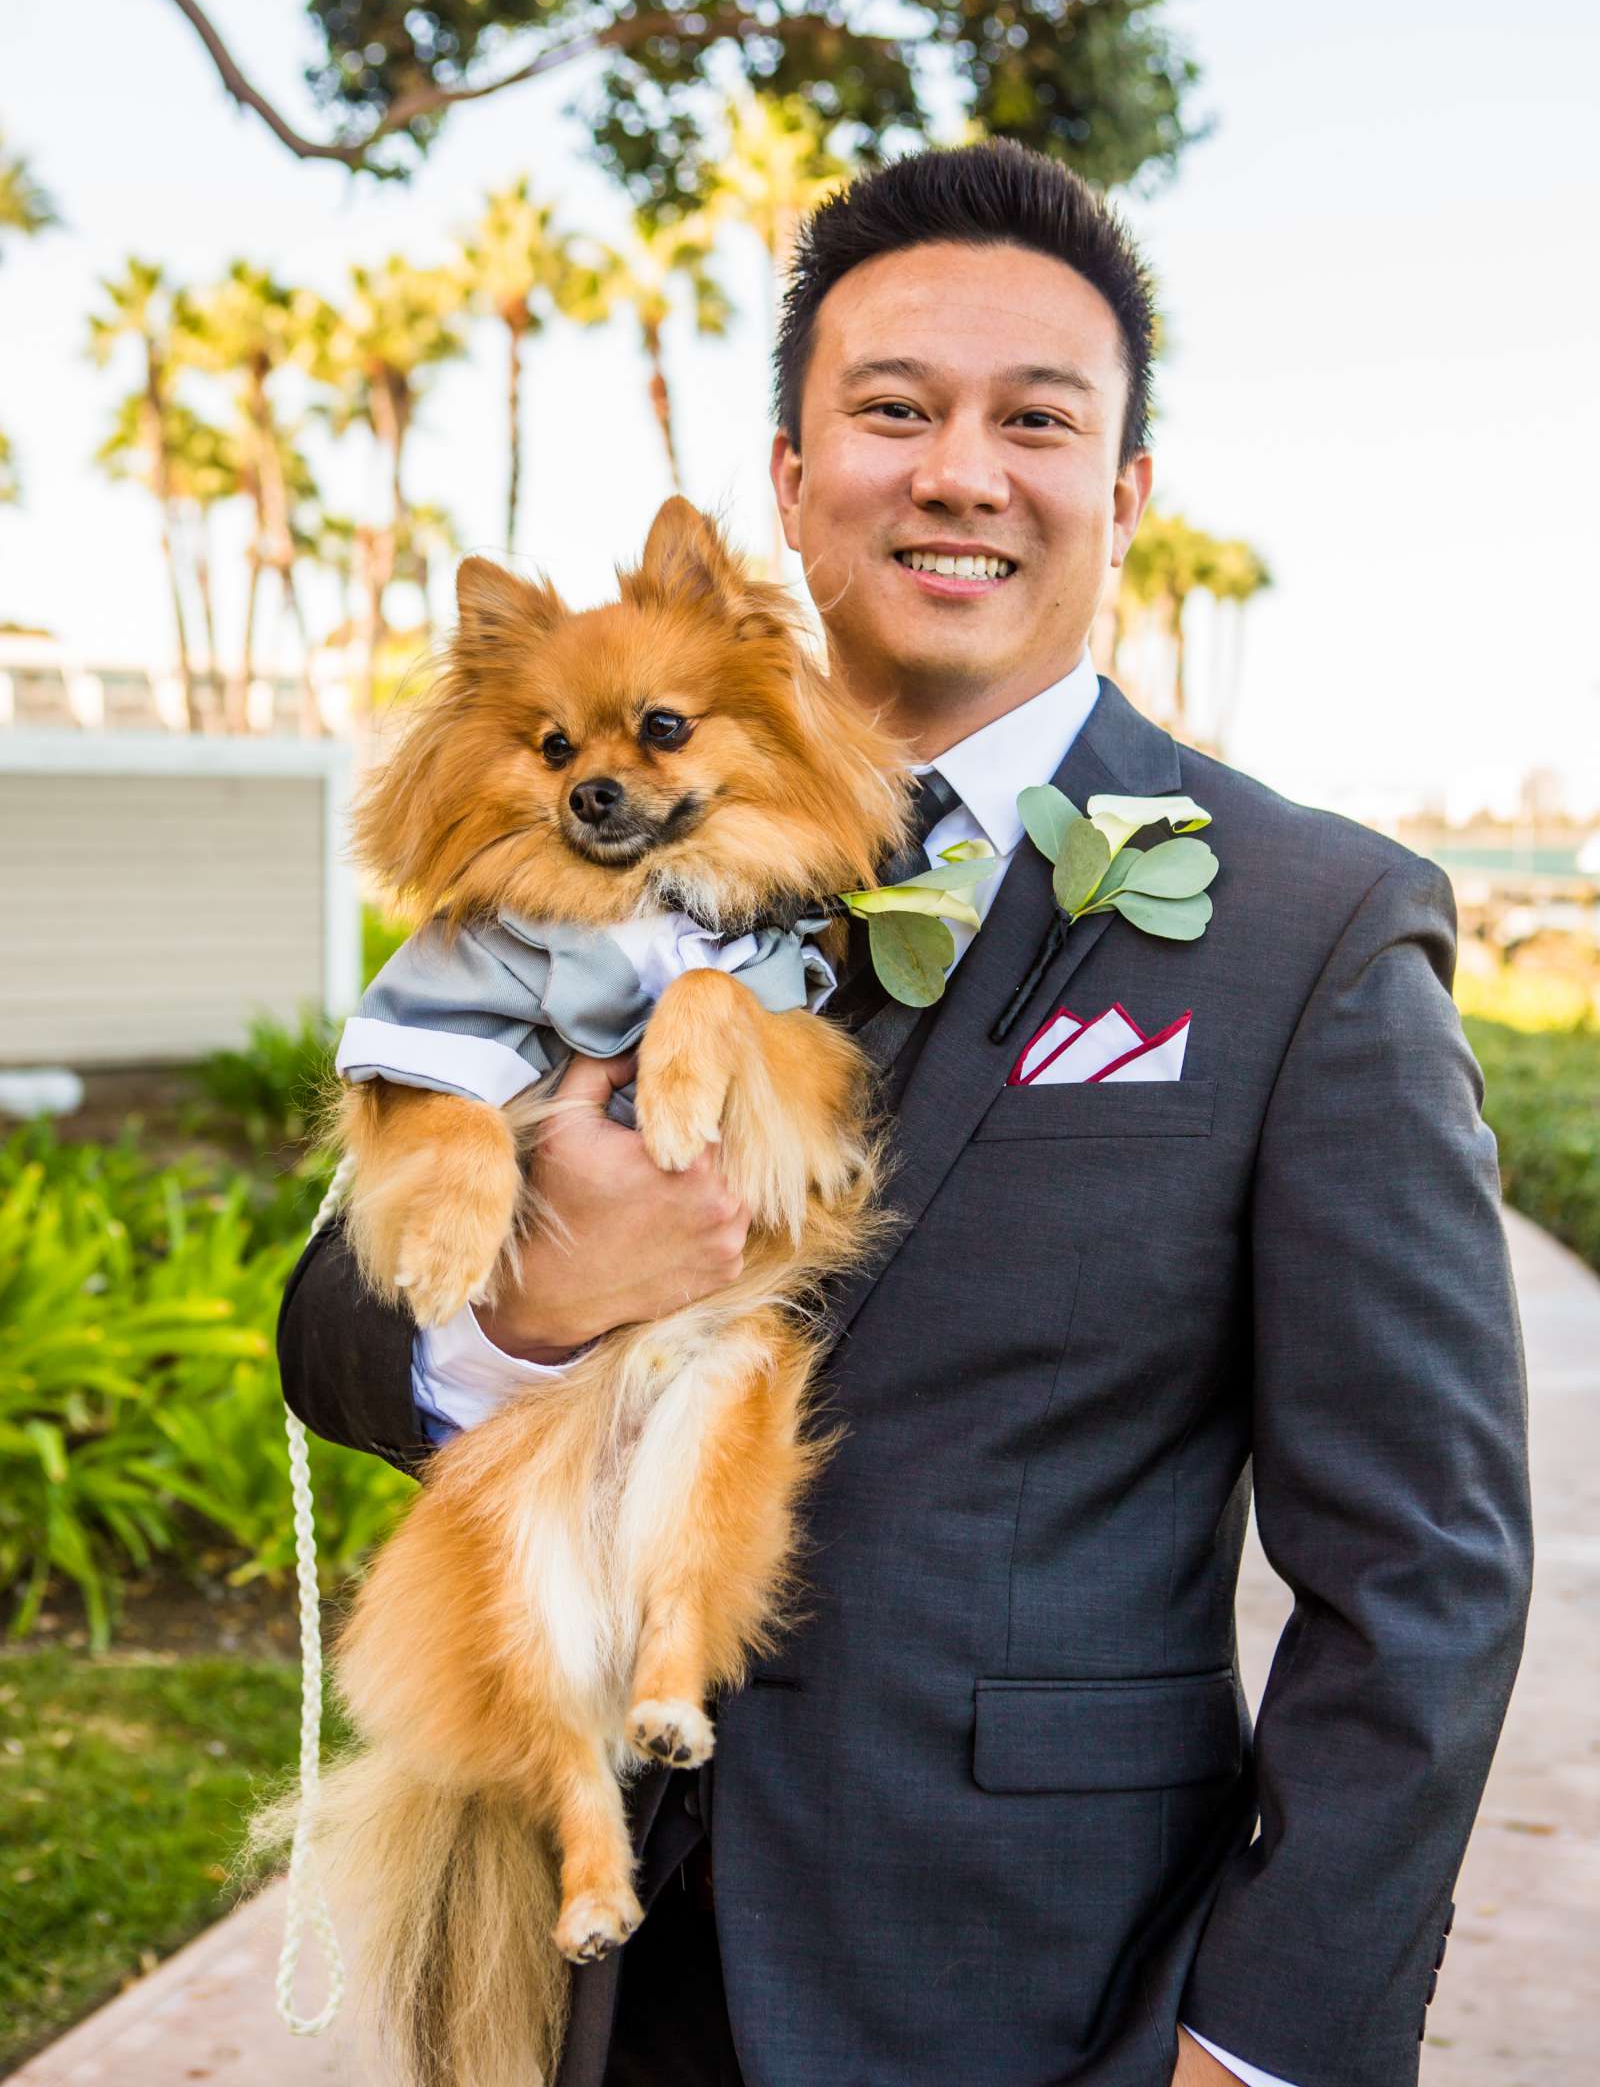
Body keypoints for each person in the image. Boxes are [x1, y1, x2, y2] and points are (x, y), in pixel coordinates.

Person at [279, 141, 1532, 2087]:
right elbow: (329, 1322)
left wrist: (1263, 2048)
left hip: (1032, 1993)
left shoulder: (1310, 926)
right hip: (588, 1976)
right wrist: (528, 1301)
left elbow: (1421, 1576)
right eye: (890, 410)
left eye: (1035, 418)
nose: (959, 470)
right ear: (792, 479)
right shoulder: (602, 836)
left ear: (1119, 496)